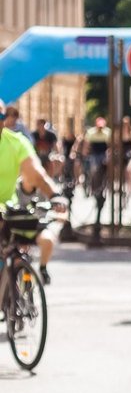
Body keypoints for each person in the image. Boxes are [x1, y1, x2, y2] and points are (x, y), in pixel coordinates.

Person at [0, 113, 63, 280]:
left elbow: (37, 174)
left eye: (0, 115)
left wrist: (55, 195)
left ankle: (18, 289)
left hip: (9, 210)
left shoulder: (16, 142)